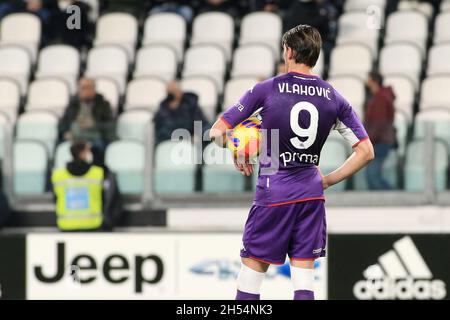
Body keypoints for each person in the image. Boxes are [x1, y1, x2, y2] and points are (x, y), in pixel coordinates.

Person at [210, 25, 374, 300]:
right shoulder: (334, 97)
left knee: (251, 275)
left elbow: (217, 132)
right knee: (304, 280)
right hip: (311, 194)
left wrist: (237, 148)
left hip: (274, 192)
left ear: (289, 51)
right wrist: (327, 180)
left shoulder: (267, 89)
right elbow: (366, 151)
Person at [51, 140, 122, 231]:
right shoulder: (98, 173)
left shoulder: (58, 176)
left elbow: (56, 198)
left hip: (66, 225)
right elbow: (109, 198)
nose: (90, 153)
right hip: (94, 225)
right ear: (82, 153)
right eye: (88, 150)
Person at [59, 77, 115, 166]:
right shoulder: (73, 104)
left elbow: (110, 125)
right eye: (82, 88)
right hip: (75, 138)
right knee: (63, 147)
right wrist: (66, 132)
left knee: (99, 147)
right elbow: (63, 123)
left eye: (88, 87)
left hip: (94, 138)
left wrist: (94, 124)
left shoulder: (103, 104)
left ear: (94, 89)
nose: (85, 91)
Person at [364, 71, 396, 190]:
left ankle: (395, 198)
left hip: (379, 142)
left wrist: (367, 140)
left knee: (373, 177)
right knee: (373, 176)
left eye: (368, 79)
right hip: (381, 141)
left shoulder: (380, 99)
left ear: (374, 81)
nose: (366, 82)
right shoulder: (380, 97)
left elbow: (379, 123)